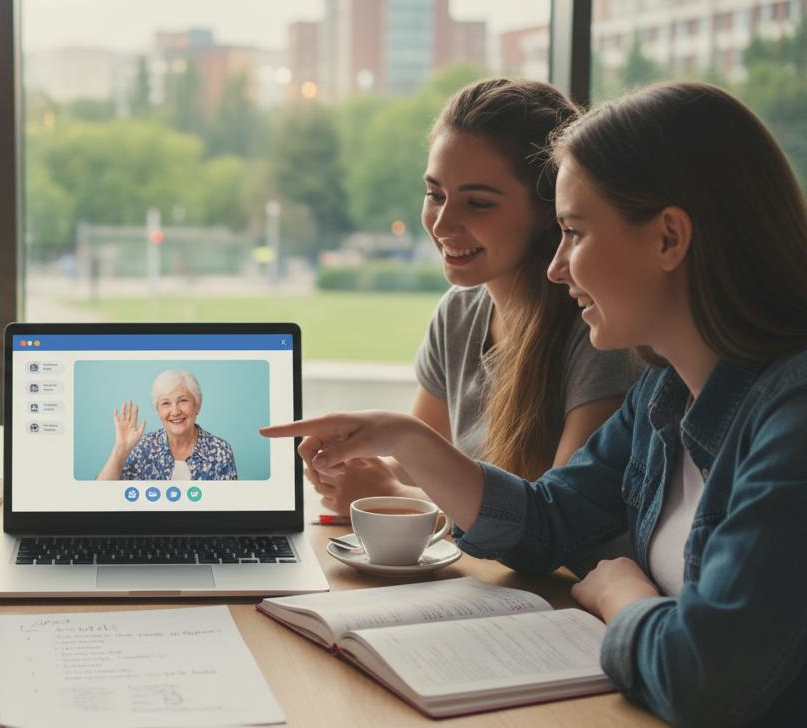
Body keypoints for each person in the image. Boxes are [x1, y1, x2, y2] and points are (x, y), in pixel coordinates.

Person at [263, 82, 807, 724]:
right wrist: (405, 439)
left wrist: (623, 596)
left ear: (667, 239)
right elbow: (550, 518)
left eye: (574, 232)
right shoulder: (664, 392)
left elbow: (704, 679)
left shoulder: (790, 424)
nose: (556, 267)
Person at [310, 78, 637, 515]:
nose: (443, 225)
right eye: (435, 195)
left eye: (478, 203)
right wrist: (350, 468)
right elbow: (418, 466)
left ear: (549, 209)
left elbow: (560, 520)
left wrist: (392, 496)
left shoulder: (595, 328)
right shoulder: (460, 312)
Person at [96, 369, 236, 481]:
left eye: (182, 401)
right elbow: (99, 497)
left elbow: (230, 506)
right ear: (158, 410)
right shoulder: (142, 447)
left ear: (197, 405)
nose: (175, 411)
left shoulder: (220, 451)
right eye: (166, 403)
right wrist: (120, 450)